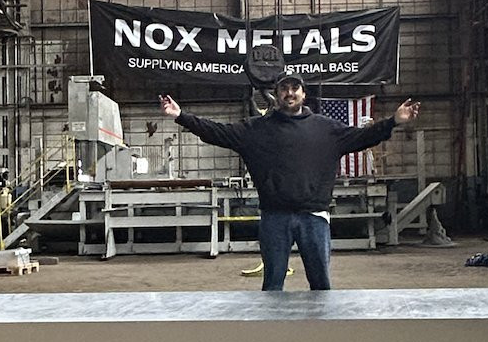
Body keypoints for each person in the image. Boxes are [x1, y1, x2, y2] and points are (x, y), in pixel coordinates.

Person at [158, 74, 420, 291]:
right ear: (277, 95)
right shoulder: (256, 130)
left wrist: (394, 121)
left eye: (295, 88)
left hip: (314, 218)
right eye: (284, 89)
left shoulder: (327, 129)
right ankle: (273, 334)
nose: (290, 93)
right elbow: (216, 132)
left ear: (304, 94)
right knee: (273, 285)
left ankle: (322, 331)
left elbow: (364, 136)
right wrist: (180, 116)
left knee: (321, 286)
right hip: (274, 218)